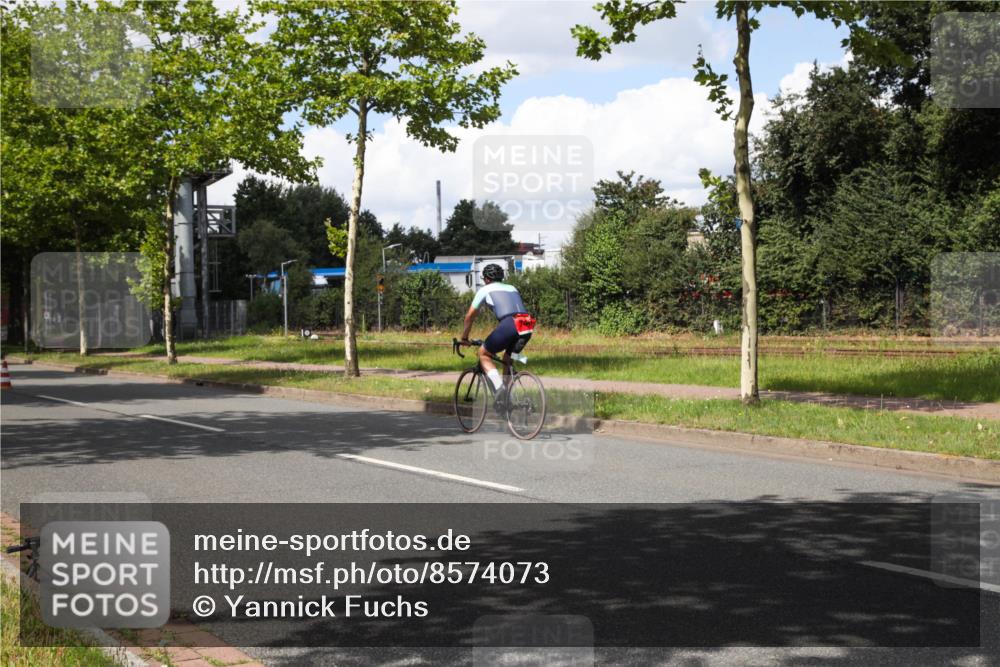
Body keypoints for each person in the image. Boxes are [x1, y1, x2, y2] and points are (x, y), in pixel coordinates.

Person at [460, 263, 535, 406]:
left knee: (483, 353)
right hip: (527, 322)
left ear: (486, 279)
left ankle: (500, 387)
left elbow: (469, 316)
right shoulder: (512, 288)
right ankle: (507, 398)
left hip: (510, 323)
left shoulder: (485, 289)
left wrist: (464, 338)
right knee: (507, 358)